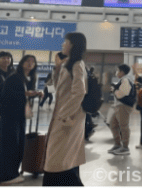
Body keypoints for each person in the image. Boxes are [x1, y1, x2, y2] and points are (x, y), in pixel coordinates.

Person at [42, 31, 88, 185]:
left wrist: (63, 114)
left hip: (69, 118)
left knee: (58, 156)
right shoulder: (67, 64)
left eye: (65, 42)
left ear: (73, 45)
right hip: (64, 116)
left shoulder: (77, 64)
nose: (63, 44)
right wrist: (56, 69)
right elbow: (59, 89)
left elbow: (79, 92)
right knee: (63, 156)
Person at [0, 53, 36, 184]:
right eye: (27, 61)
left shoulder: (27, 78)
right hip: (10, 117)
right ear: (22, 63)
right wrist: (25, 94)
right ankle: (6, 176)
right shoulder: (15, 77)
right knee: (10, 145)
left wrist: (31, 94)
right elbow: (5, 95)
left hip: (18, 116)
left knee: (17, 145)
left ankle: (12, 173)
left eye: (33, 62)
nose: (30, 63)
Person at [108, 64, 135, 155]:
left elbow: (121, 94)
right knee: (113, 124)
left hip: (124, 106)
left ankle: (125, 147)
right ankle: (117, 144)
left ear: (122, 72)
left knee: (123, 126)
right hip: (119, 106)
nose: (116, 72)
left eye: (117, 70)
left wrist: (114, 90)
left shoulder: (126, 80)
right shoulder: (122, 80)